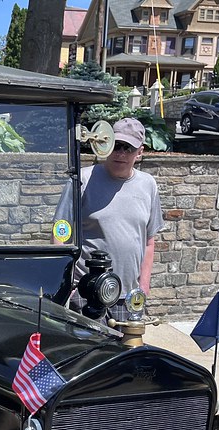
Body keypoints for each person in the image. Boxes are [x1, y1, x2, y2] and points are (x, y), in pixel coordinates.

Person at [55, 117, 164, 322]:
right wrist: (66, 283)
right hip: (87, 292)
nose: (121, 153)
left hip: (128, 297)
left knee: (128, 352)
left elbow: (149, 241)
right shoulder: (82, 180)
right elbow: (61, 229)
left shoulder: (148, 185)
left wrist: (144, 286)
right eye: (117, 145)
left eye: (128, 148)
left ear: (140, 151)